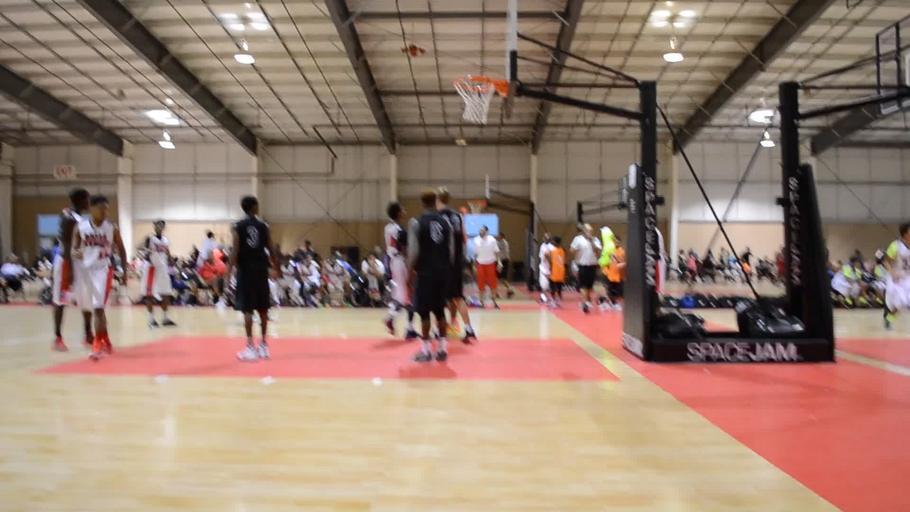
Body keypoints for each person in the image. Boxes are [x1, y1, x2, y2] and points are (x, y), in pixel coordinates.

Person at [72, 195, 127, 361]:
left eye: (107, 209)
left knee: (98, 308)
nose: (105, 212)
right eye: (102, 209)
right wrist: (75, 252)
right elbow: (74, 249)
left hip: (103, 270)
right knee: (93, 308)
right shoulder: (80, 227)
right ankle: (106, 340)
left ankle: (97, 345)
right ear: (92, 208)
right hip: (85, 271)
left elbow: (122, 250)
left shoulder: (111, 227)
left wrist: (124, 272)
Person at [229, 196, 279, 361]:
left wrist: (229, 271)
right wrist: (276, 267)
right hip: (261, 270)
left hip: (245, 271)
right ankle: (264, 346)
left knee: (248, 309)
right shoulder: (264, 225)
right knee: (263, 308)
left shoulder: (238, 226)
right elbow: (271, 248)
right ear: (254, 207)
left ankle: (250, 347)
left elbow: (235, 250)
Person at [408, 189, 453, 362]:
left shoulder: (416, 223)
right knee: (440, 311)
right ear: (435, 202)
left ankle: (426, 351)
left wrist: (409, 273)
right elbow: (451, 251)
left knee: (424, 313)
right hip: (443, 272)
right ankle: (442, 349)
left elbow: (413, 251)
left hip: (425, 273)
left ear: (422, 203)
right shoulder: (446, 223)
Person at [51, 188, 94, 351]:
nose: (89, 203)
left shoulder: (80, 218)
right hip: (66, 262)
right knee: (61, 300)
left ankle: (88, 335)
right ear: (80, 200)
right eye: (87, 199)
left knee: (86, 299)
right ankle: (58, 338)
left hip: (80, 262)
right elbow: (67, 243)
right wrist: (69, 269)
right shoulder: (68, 217)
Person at [437, 187, 476, 342]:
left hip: (445, 263)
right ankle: (468, 328)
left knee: (439, 298)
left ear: (438, 199)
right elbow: (464, 240)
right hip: (458, 262)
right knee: (457, 297)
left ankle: (439, 329)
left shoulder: (439, 217)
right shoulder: (458, 216)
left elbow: (441, 242)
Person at [383, 202, 418, 339]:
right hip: (400, 262)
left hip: (392, 262)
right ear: (398, 213)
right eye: (402, 209)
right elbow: (407, 247)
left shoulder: (388, 227)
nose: (405, 210)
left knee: (401, 296)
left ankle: (396, 320)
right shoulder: (399, 230)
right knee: (408, 296)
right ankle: (406, 327)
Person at [139, 220, 177, 327]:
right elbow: (144, 253)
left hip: (163, 269)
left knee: (166, 293)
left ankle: (165, 318)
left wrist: (171, 260)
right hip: (151, 269)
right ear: (154, 227)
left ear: (163, 227)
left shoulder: (165, 240)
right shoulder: (150, 238)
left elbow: (167, 252)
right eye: (157, 225)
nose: (159, 227)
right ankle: (151, 320)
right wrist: (148, 254)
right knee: (149, 295)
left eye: (161, 225)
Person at [883, 223, 910, 329]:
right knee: (900, 302)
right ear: (905, 234)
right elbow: (886, 261)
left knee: (906, 301)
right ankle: (889, 317)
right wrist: (892, 272)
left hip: (907, 277)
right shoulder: (895, 246)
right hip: (896, 278)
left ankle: (889, 318)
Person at [570, 223, 601, 314]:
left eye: (591, 231)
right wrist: (576, 250)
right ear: (583, 231)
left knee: (590, 286)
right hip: (582, 265)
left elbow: (597, 252)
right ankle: (584, 303)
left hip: (593, 265)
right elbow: (571, 250)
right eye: (587, 230)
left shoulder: (595, 240)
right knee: (583, 285)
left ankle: (587, 300)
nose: (589, 232)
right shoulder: (578, 239)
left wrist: (592, 242)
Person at [473, 225, 501, 309]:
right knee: (481, 284)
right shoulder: (476, 240)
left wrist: (499, 262)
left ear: (487, 232)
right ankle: (481, 302)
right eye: (480, 230)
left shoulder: (492, 240)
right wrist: (474, 265)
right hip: (480, 264)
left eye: (482, 230)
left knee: (493, 284)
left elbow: (497, 252)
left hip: (491, 264)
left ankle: (494, 302)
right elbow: (475, 254)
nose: (481, 232)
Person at [605, 237, 626, 310]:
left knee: (618, 290)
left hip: (618, 275)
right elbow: (605, 261)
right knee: (610, 289)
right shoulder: (609, 250)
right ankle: (612, 303)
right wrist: (606, 271)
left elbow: (623, 262)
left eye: (617, 241)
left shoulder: (622, 251)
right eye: (615, 241)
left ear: (620, 242)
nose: (616, 243)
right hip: (610, 274)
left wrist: (622, 265)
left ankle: (616, 303)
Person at [549, 236, 566, 306]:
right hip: (561, 271)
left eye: (553, 241)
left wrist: (550, 269)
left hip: (555, 271)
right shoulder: (563, 250)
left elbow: (551, 261)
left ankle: (553, 300)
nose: (552, 242)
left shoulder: (553, 251)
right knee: (559, 287)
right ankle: (558, 299)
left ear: (556, 242)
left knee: (552, 286)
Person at [496, 233, 515, 299]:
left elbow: (502, 253)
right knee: (498, 278)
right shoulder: (499, 242)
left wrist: (499, 262)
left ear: (502, 236)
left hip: (503, 262)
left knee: (501, 278)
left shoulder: (503, 243)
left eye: (499, 236)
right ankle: (508, 290)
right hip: (501, 261)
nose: (497, 236)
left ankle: (509, 290)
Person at [538, 233, 554, 305]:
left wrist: (552, 264)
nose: (547, 239)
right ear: (543, 238)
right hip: (543, 268)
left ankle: (551, 297)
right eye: (545, 238)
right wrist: (551, 262)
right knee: (544, 284)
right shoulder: (542, 246)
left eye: (548, 238)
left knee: (550, 284)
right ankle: (543, 295)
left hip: (550, 268)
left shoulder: (552, 247)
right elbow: (545, 255)